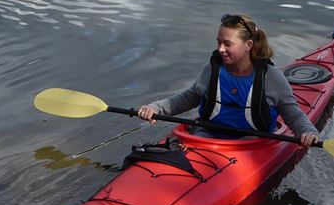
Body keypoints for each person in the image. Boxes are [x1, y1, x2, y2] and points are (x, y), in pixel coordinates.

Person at [137, 13, 321, 147]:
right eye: (219, 42)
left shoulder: (272, 77)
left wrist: (308, 132)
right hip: (206, 135)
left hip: (253, 142)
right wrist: (156, 108)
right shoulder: (213, 68)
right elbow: (190, 96)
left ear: (248, 45)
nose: (221, 49)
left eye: (228, 44)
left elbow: (294, 115)